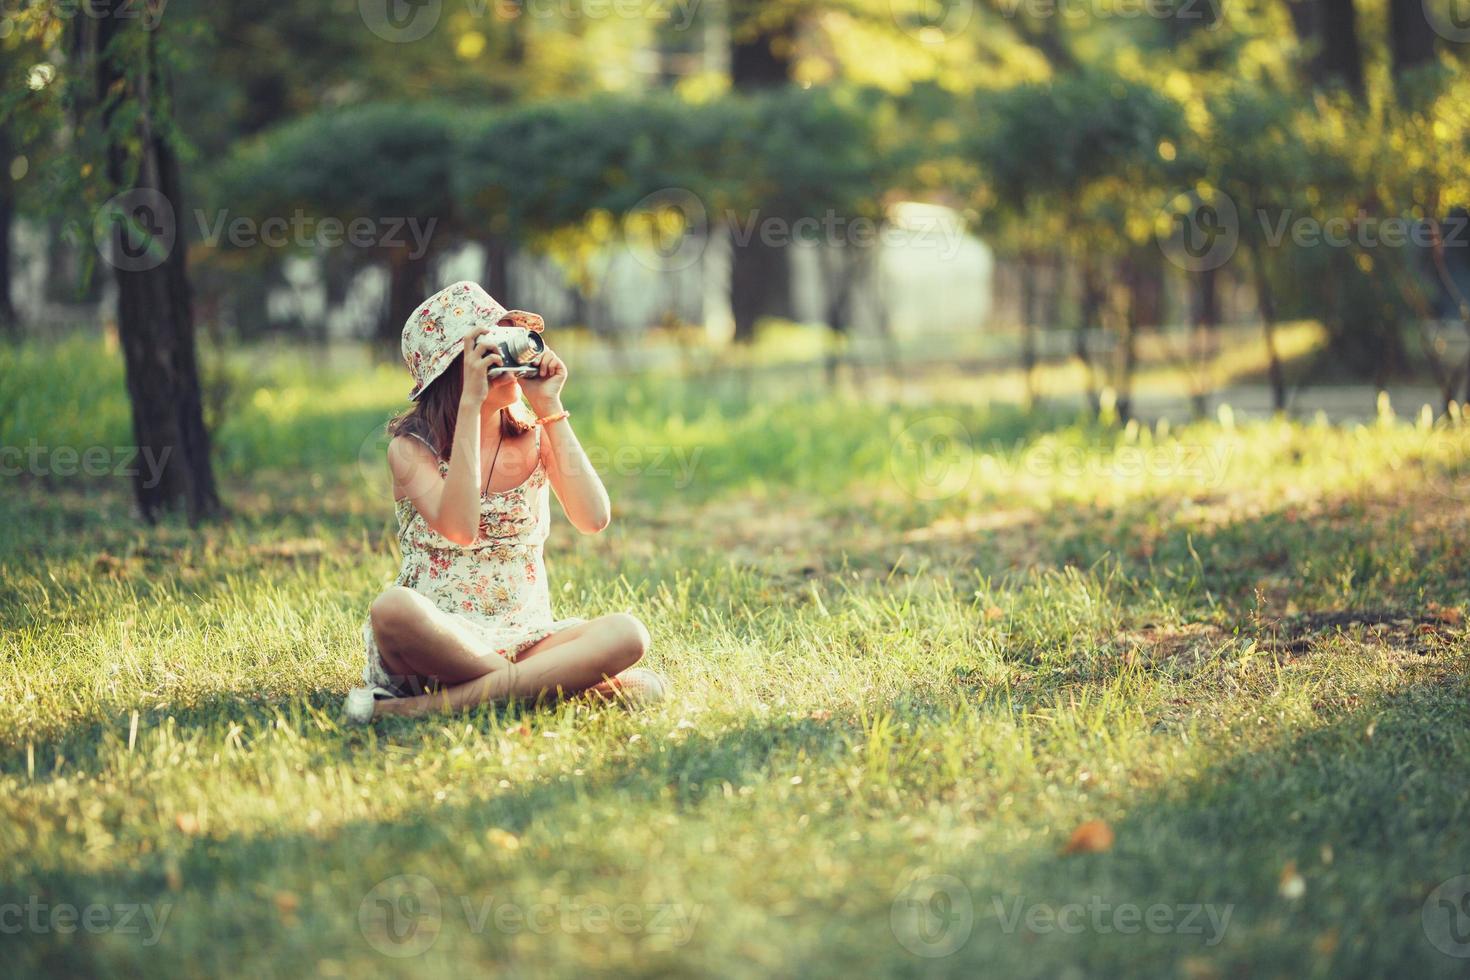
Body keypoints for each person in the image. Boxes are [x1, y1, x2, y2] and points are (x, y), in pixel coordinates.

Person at [342, 281, 667, 724]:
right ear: (452, 371)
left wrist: (549, 405)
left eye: (511, 343)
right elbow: (460, 527)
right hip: (441, 638)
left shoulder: (536, 433)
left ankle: (422, 708)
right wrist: (473, 403)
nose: (511, 364)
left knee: (628, 633)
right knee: (391, 608)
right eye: (491, 352)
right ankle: (555, 687)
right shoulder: (411, 449)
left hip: (528, 634)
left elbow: (594, 518)